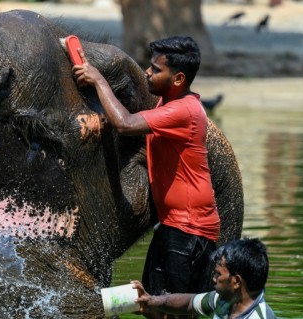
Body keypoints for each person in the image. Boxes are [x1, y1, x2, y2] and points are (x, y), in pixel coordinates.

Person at [73, 36, 220, 318]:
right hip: (172, 226)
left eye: (155, 69)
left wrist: (99, 81)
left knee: (173, 312)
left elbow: (126, 124)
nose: (147, 73)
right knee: (150, 306)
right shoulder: (168, 101)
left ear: (178, 78)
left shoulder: (183, 110)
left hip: (191, 231)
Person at [131, 237, 277, 319]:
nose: (213, 279)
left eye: (218, 274)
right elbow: (189, 303)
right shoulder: (225, 301)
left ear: (236, 282)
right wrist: (151, 301)